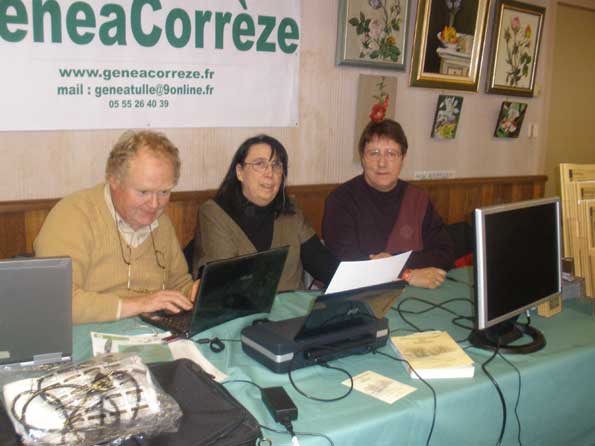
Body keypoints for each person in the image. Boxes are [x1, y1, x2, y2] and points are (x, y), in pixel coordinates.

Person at [34, 130, 198, 324]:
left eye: (164, 192)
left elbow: (178, 284)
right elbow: (56, 302)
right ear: (114, 180)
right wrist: (140, 304)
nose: (155, 204)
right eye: (143, 192)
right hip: (89, 334)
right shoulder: (73, 215)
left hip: (153, 332)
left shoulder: (162, 223)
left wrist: (193, 292)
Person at [190, 134, 338, 291]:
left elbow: (324, 265)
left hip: (295, 306)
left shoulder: (290, 212)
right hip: (242, 306)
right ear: (240, 172)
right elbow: (222, 286)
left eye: (276, 165)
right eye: (260, 164)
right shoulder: (214, 213)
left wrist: (354, 279)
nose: (270, 173)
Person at [322, 119, 455, 289]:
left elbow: (445, 252)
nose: (382, 163)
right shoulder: (341, 200)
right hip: (362, 293)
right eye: (374, 153)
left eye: (391, 154)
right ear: (363, 158)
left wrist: (394, 265)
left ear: (402, 159)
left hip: (418, 292)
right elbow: (348, 263)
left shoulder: (418, 199)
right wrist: (406, 274)